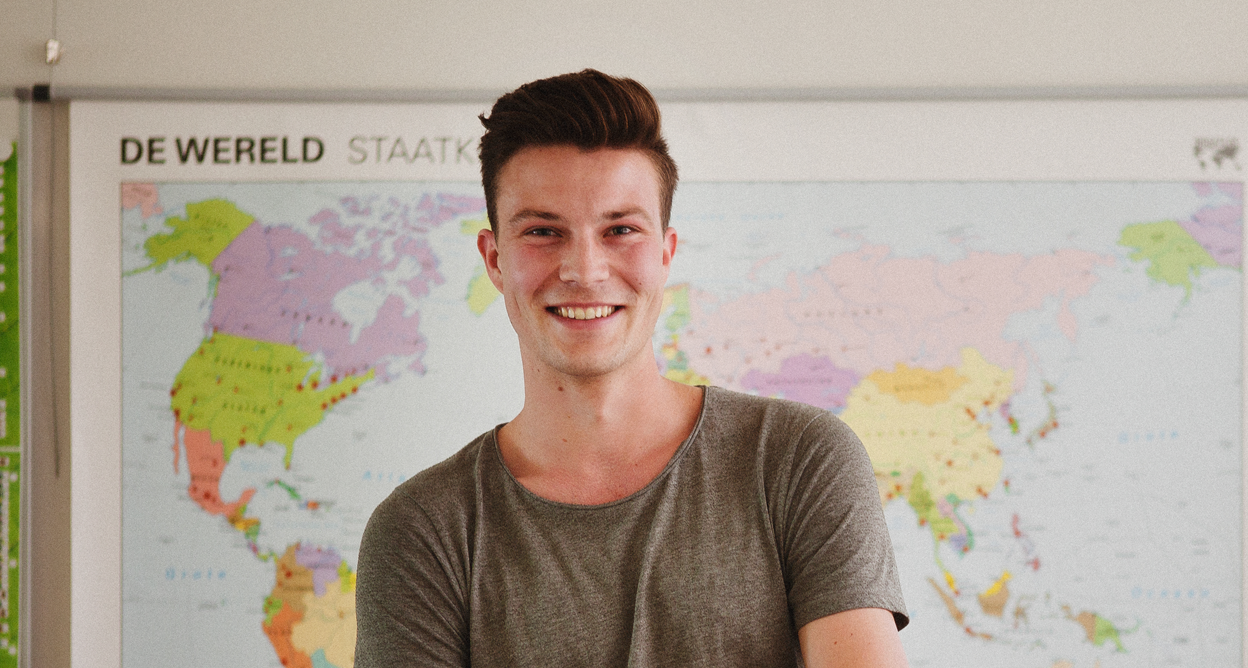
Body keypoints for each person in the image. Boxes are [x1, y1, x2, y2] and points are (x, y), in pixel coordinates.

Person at [354, 69, 910, 667]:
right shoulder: (423, 530)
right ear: (494, 259)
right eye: (543, 231)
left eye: (620, 230)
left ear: (665, 254)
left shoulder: (798, 460)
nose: (585, 270)